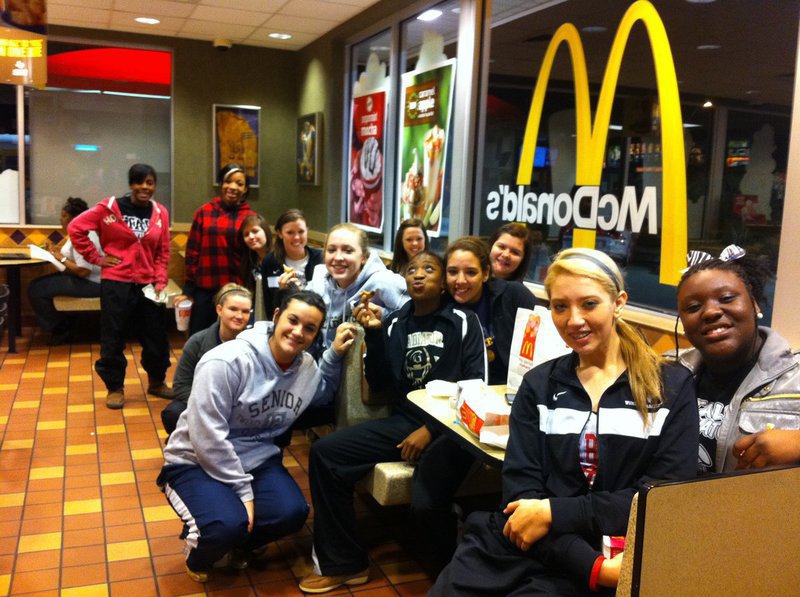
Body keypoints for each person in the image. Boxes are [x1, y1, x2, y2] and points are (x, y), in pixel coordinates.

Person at [432, 248, 699, 596]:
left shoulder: (671, 387)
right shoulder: (539, 385)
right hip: (528, 545)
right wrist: (592, 567)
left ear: (618, 302)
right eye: (560, 306)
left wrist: (554, 513)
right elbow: (521, 497)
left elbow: (660, 502)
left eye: (589, 304)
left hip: (612, 553)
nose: (573, 320)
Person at [299, 251, 487, 594]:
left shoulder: (463, 320)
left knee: (427, 501)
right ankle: (345, 564)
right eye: (411, 270)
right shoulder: (396, 322)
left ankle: (453, 580)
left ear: (443, 280)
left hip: (454, 430)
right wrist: (374, 334)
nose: (418, 275)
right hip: (406, 422)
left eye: (429, 269)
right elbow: (382, 383)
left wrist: (432, 430)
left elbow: (476, 386)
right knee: (326, 454)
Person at [157, 290, 357, 583]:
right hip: (194, 459)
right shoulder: (226, 361)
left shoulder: (306, 368)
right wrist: (243, 491)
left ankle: (239, 543)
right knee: (225, 524)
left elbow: (320, 392)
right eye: (293, 320)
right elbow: (206, 436)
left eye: (310, 328)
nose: (298, 332)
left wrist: (335, 355)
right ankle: (200, 552)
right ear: (276, 317)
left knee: (291, 512)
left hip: (255, 459)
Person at [675, 247, 800, 473]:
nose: (711, 312)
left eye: (727, 298)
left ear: (755, 305)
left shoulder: (796, 377)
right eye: (693, 307)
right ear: (682, 323)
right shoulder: (666, 373)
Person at [68, 163, 173, 410]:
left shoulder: (160, 212)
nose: (144, 188)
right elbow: (76, 228)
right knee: (113, 337)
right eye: (139, 182)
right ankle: (115, 388)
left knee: (156, 335)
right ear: (130, 184)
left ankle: (157, 382)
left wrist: (160, 279)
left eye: (149, 183)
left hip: (149, 284)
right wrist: (97, 258)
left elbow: (163, 250)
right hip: (116, 282)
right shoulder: (110, 208)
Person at [161, 284, 253, 436]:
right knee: (173, 412)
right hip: (203, 404)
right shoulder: (197, 342)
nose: (239, 316)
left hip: (241, 408)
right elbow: (181, 385)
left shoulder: (255, 344)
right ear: (219, 310)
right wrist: (210, 405)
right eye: (233, 309)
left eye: (245, 311)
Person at [174, 163, 255, 336]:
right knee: (199, 337)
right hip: (205, 289)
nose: (233, 187)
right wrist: (188, 290)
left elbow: (253, 257)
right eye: (228, 181)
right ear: (221, 184)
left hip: (235, 291)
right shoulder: (204, 212)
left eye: (239, 184)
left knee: (234, 339)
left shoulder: (250, 218)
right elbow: (192, 253)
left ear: (246, 189)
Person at [445, 236, 538, 385]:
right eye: (453, 272)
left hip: (512, 390)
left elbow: (544, 340)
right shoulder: (441, 307)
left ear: (486, 273)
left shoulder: (514, 295)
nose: (460, 280)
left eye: (470, 272)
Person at [308, 223, 408, 351]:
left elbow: (416, 317)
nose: (338, 257)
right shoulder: (319, 281)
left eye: (348, 251)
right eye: (332, 250)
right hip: (328, 364)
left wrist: (383, 316)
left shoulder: (383, 281)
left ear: (364, 257)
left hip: (372, 364)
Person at [28, 197, 102, 345]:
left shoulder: (84, 236)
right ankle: (64, 324)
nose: (60, 219)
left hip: (93, 284)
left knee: (36, 289)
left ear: (74, 218)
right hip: (85, 280)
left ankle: (61, 329)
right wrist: (55, 254)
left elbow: (83, 271)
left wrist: (60, 259)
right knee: (36, 284)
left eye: (64, 216)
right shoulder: (78, 231)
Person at [261, 209, 322, 316]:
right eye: (290, 232)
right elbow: (269, 307)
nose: (297, 237)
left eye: (301, 231)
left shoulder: (320, 259)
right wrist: (282, 292)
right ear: (280, 234)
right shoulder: (270, 262)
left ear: (307, 231)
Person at [238, 213, 272, 322]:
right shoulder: (249, 261)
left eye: (255, 231)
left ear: (266, 232)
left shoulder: (278, 258)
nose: (251, 237)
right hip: (256, 308)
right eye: (246, 234)